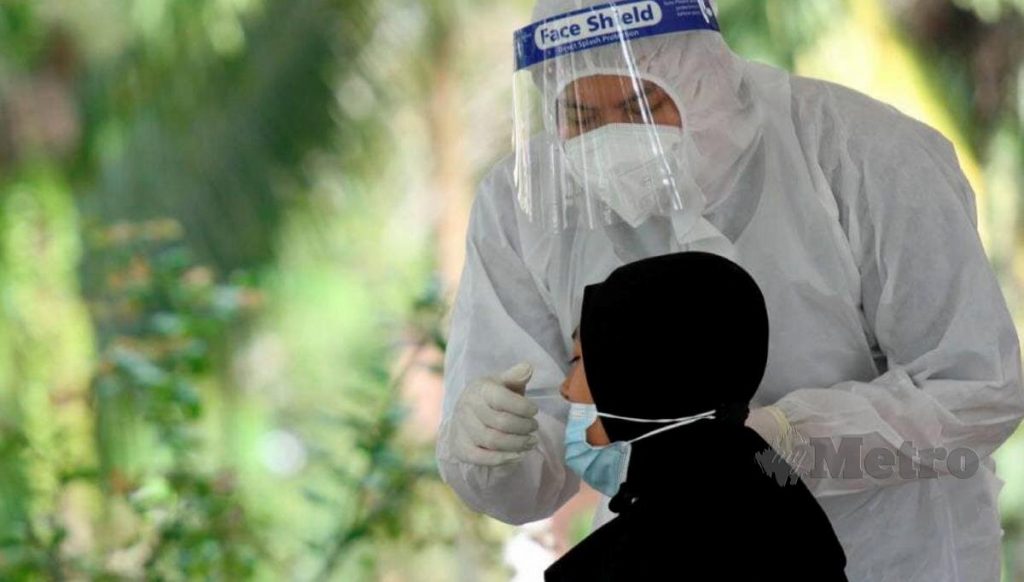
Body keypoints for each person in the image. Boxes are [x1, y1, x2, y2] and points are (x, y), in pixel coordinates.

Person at [435, 0, 1024, 579]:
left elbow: (975, 386)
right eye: (580, 116)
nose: (612, 137)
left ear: (701, 73)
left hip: (895, 558)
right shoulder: (524, 208)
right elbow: (541, 453)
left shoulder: (859, 153)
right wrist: (495, 450)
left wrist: (794, 439)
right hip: (670, 555)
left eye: (641, 104)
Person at [545, 251, 848, 581]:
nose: (566, 389)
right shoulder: (777, 502)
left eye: (579, 362)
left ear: (641, 380)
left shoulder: (659, 556)